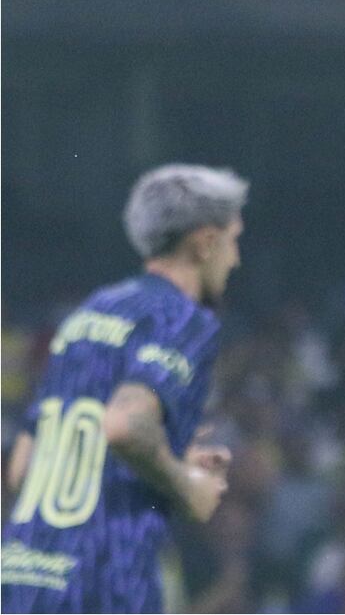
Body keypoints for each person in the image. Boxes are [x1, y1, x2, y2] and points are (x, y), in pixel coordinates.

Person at [1, 164, 249, 613]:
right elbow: (124, 425)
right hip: (108, 575)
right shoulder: (183, 318)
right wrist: (186, 483)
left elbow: (22, 468)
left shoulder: (91, 311)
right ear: (205, 242)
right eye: (233, 240)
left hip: (25, 569)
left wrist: (163, 459)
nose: (236, 258)